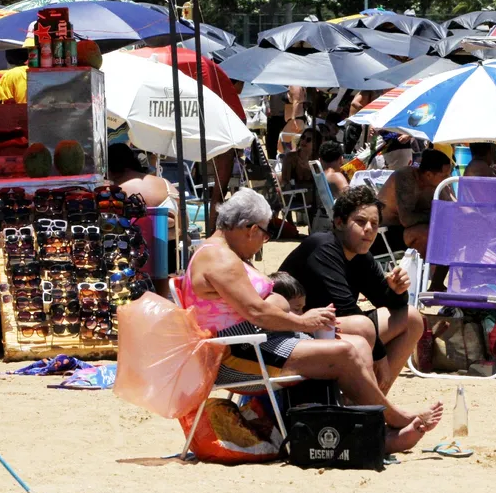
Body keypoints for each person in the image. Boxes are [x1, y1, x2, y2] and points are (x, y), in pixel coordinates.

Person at [181, 189, 442, 446]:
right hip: (238, 352)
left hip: (256, 343)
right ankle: (390, 422)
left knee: (359, 344)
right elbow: (257, 312)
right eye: (265, 233)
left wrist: (395, 294)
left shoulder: (222, 253)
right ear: (250, 229)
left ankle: (366, 426)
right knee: (346, 351)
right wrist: (304, 322)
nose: (264, 241)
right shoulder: (220, 259)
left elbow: (257, 310)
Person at [280, 186, 429, 396]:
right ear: (339, 222)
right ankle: (369, 405)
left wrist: (397, 291)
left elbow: (389, 304)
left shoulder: (360, 256)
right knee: (361, 325)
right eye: (360, 222)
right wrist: (380, 357)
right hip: (295, 333)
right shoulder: (323, 247)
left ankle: (369, 403)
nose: (369, 229)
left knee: (412, 319)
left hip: (329, 328)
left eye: (375, 224)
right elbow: (346, 310)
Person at [376, 149, 453, 255]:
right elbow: (407, 219)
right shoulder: (406, 177)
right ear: (429, 175)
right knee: (428, 233)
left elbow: (450, 208)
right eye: (445, 176)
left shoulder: (435, 182)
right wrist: (436, 214)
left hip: (407, 231)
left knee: (450, 231)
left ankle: (438, 271)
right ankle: (428, 270)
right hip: (385, 234)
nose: (448, 178)